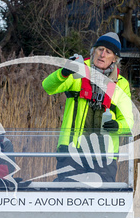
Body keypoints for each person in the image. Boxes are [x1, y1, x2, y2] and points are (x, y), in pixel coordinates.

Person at [42, 32, 134, 182]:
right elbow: (47, 87)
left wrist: (117, 125)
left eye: (108, 52)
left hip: (104, 156)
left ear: (115, 59)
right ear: (93, 51)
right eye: (100, 49)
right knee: (69, 197)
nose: (102, 54)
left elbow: (129, 122)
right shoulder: (76, 70)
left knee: (101, 200)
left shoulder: (122, 84)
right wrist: (63, 73)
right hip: (72, 152)